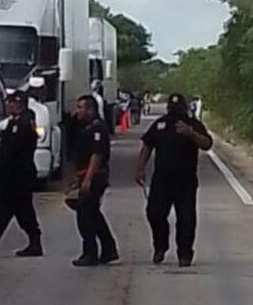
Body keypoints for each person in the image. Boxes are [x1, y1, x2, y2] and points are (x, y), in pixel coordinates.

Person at [135, 93, 213, 266]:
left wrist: (190, 133)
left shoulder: (193, 124)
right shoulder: (160, 124)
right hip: (162, 180)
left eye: (178, 107)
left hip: (186, 181)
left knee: (186, 219)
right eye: (172, 107)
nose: (174, 110)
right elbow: (147, 146)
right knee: (154, 214)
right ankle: (160, 246)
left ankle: (185, 254)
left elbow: (207, 144)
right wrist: (140, 169)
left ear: (185, 108)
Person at [0, 90, 42, 257]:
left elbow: (11, 152)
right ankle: (30, 243)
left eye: (10, 103)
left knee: (7, 210)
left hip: (16, 175)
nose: (7, 106)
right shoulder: (24, 120)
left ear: (16, 104)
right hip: (19, 174)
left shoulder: (20, 124)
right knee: (20, 211)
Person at [69, 94, 119, 267]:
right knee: (94, 214)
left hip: (94, 176)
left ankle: (90, 253)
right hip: (86, 175)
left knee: (85, 216)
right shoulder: (85, 127)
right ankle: (108, 249)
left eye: (81, 108)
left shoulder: (97, 129)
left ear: (90, 109)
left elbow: (96, 155)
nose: (78, 111)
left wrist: (87, 179)